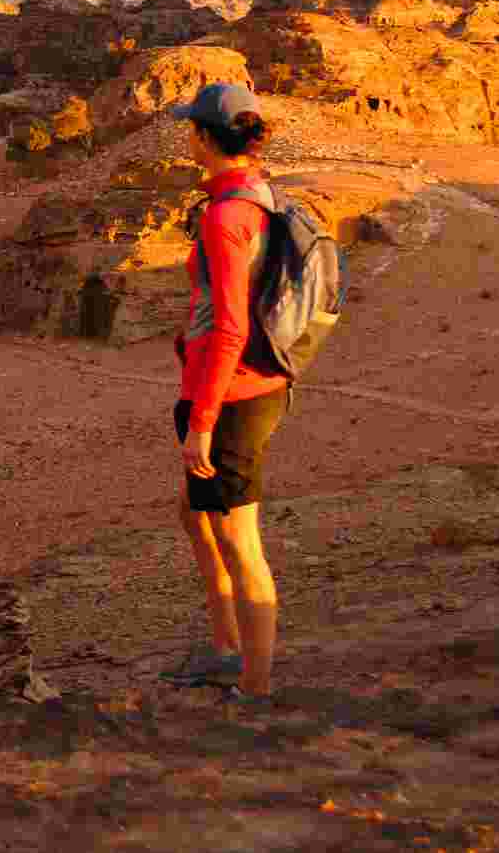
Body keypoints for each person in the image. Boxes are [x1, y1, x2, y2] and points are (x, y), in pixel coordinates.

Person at [156, 82, 289, 706]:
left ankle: (254, 688)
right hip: (235, 385)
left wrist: (202, 422)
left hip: (232, 396)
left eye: (193, 129)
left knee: (240, 542)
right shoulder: (255, 194)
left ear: (206, 138)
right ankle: (225, 646)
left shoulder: (226, 216)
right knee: (194, 515)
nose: (189, 138)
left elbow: (231, 324)